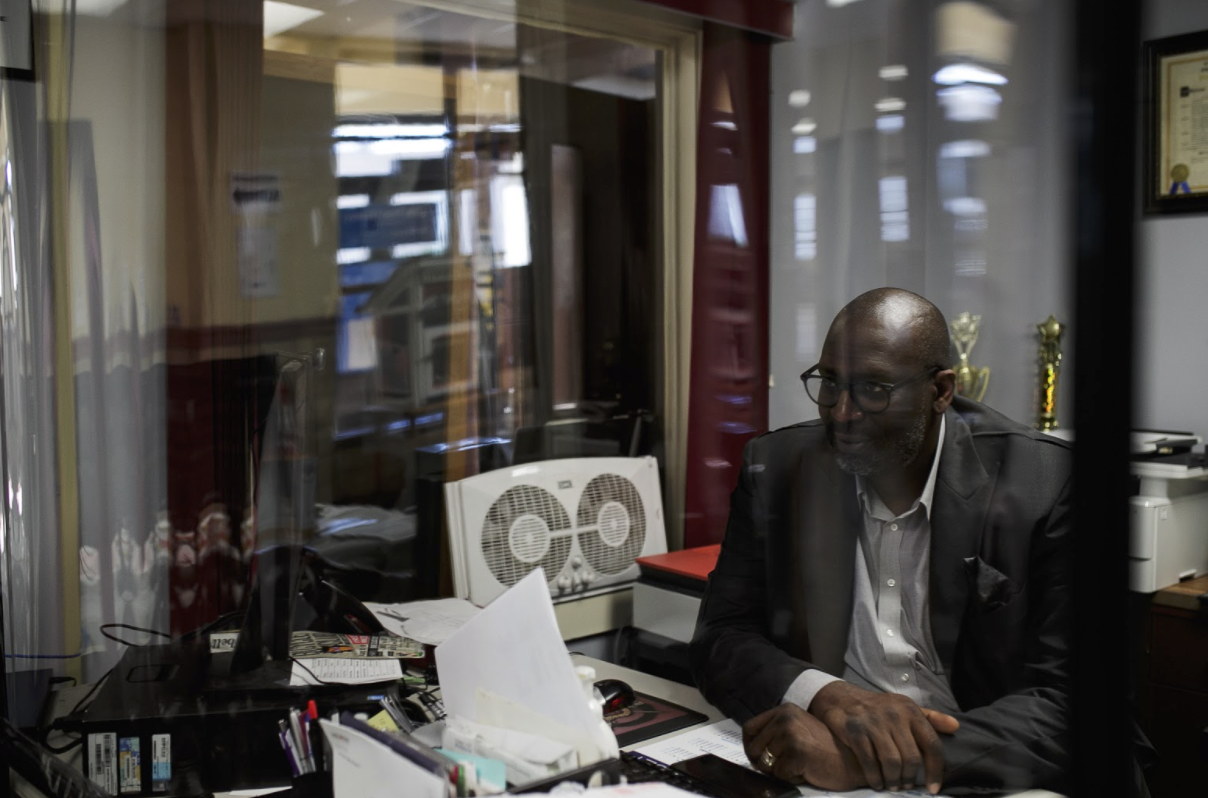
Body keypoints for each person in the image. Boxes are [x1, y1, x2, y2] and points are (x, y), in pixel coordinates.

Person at [689, 287, 1074, 795]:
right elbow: (722, 635)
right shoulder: (778, 467)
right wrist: (828, 695)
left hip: (985, 769)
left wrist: (879, 763)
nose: (842, 413)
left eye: (873, 388)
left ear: (941, 391)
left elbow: (1070, 704)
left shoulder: (1047, 481)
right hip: (830, 750)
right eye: (830, 382)